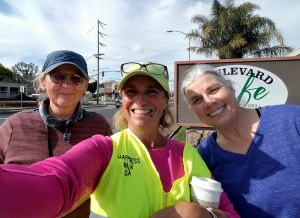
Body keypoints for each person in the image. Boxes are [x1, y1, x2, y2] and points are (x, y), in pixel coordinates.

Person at [0, 62, 240, 218]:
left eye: (151, 92)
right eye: (131, 92)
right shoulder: (104, 147)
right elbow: (59, 181)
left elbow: (227, 212)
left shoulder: (188, 154)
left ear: (165, 100)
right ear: (122, 99)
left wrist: (200, 215)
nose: (140, 101)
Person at [0, 50, 112, 218]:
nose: (66, 85)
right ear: (43, 82)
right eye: (58, 77)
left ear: (85, 85)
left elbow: (111, 180)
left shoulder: (99, 127)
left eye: (76, 78)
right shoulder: (14, 126)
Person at [181, 64, 300, 218]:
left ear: (231, 88)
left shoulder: (291, 119)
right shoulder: (204, 157)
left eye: (214, 90)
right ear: (194, 110)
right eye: (197, 100)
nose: (208, 102)